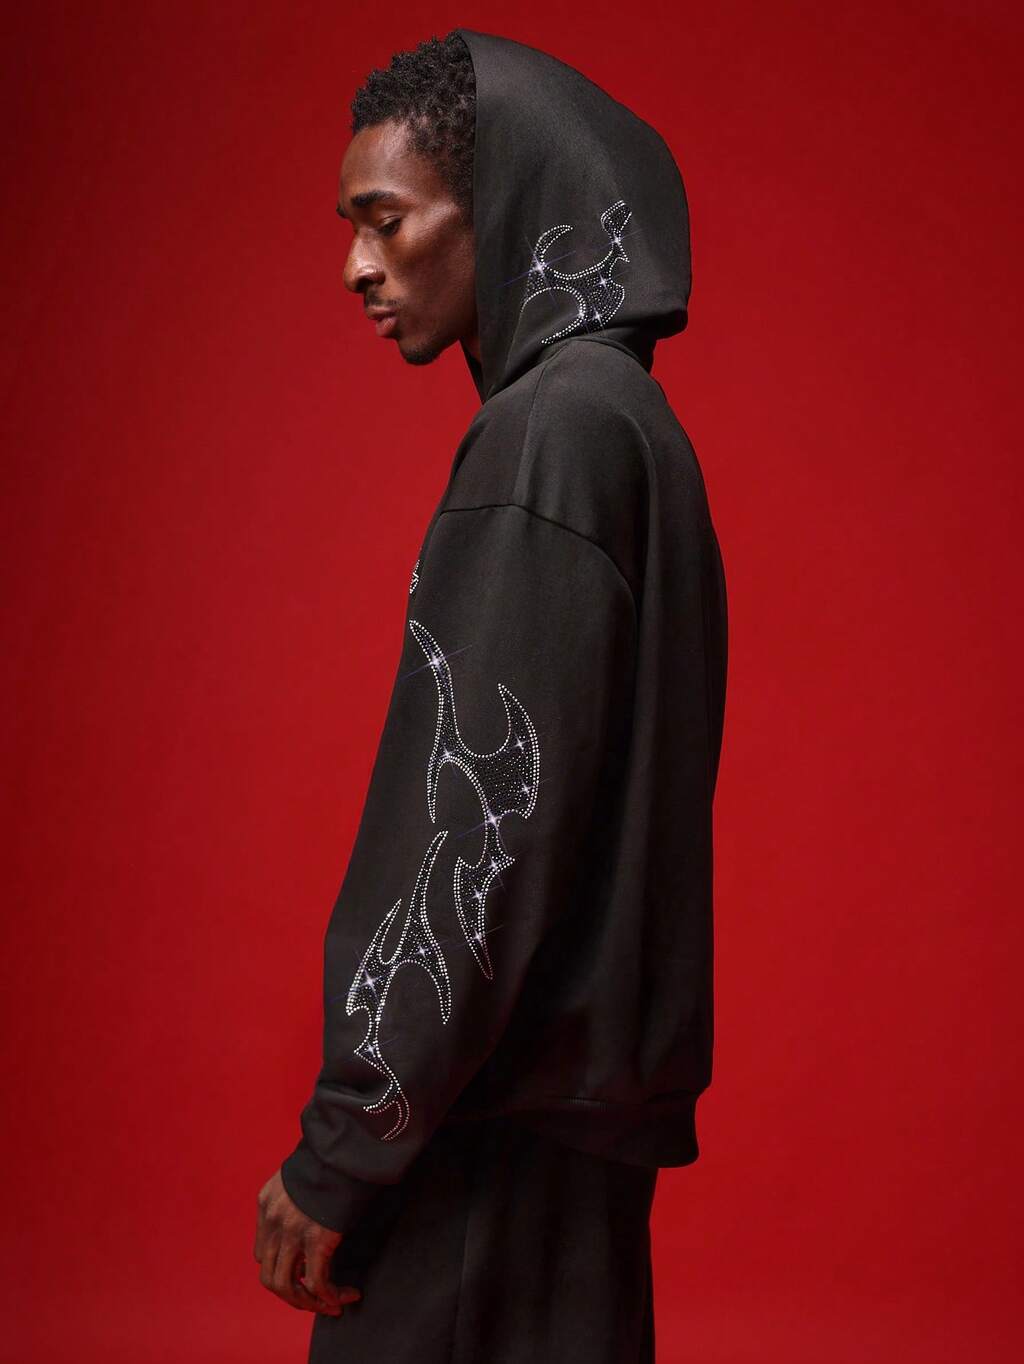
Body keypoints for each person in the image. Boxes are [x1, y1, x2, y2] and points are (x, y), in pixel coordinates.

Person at [253, 27, 728, 1364]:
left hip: (478, 1164)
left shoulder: (544, 438)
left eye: (386, 219)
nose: (357, 265)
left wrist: (347, 1144)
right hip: (572, 1168)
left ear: (503, 204)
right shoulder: (631, 427)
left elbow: (476, 833)